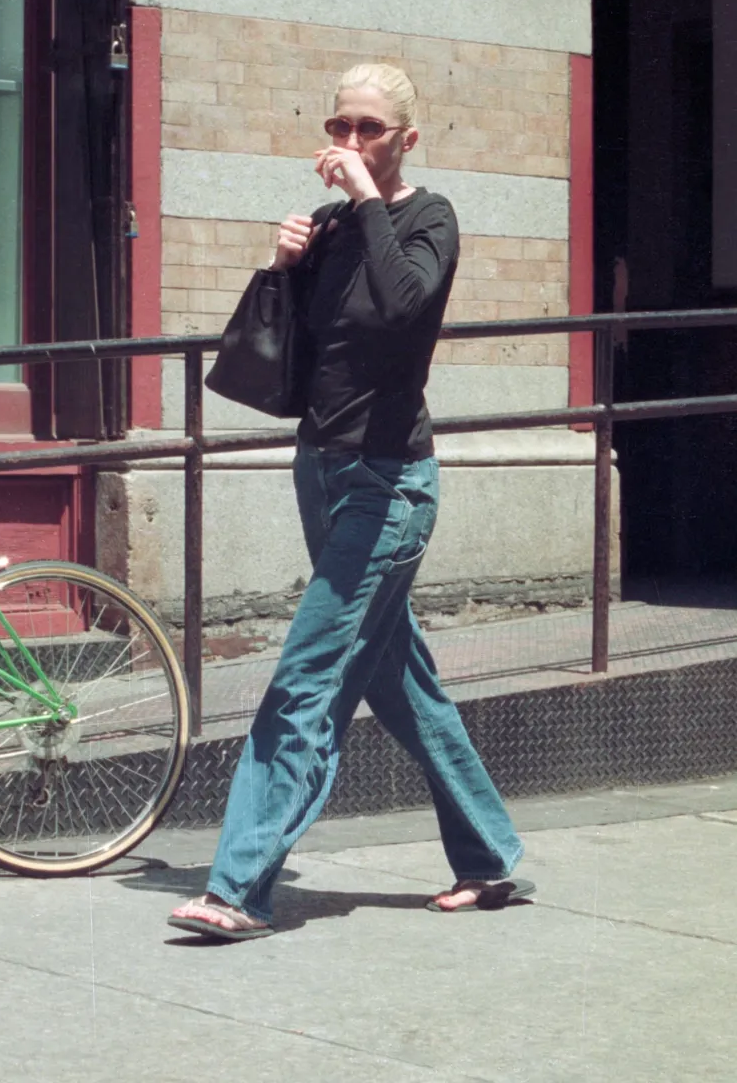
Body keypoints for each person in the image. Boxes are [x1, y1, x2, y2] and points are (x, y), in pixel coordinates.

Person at [168, 63, 534, 941]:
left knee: (309, 674)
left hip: (389, 482)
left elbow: (405, 307)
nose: (350, 142)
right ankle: (489, 855)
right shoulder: (330, 227)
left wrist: (367, 198)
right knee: (400, 681)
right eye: (340, 126)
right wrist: (281, 266)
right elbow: (278, 354)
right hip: (321, 468)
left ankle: (239, 887)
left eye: (369, 128)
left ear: (406, 139)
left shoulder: (428, 218)